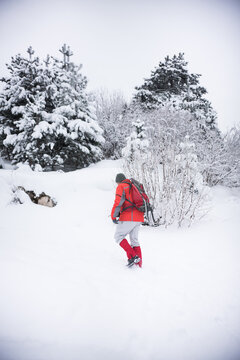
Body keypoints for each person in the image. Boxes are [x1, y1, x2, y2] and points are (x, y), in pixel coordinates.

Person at [111, 173, 143, 267]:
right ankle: (138, 265)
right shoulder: (133, 185)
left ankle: (133, 256)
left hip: (129, 216)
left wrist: (114, 216)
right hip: (139, 216)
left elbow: (118, 202)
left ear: (118, 181)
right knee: (134, 240)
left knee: (118, 236)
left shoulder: (121, 186)